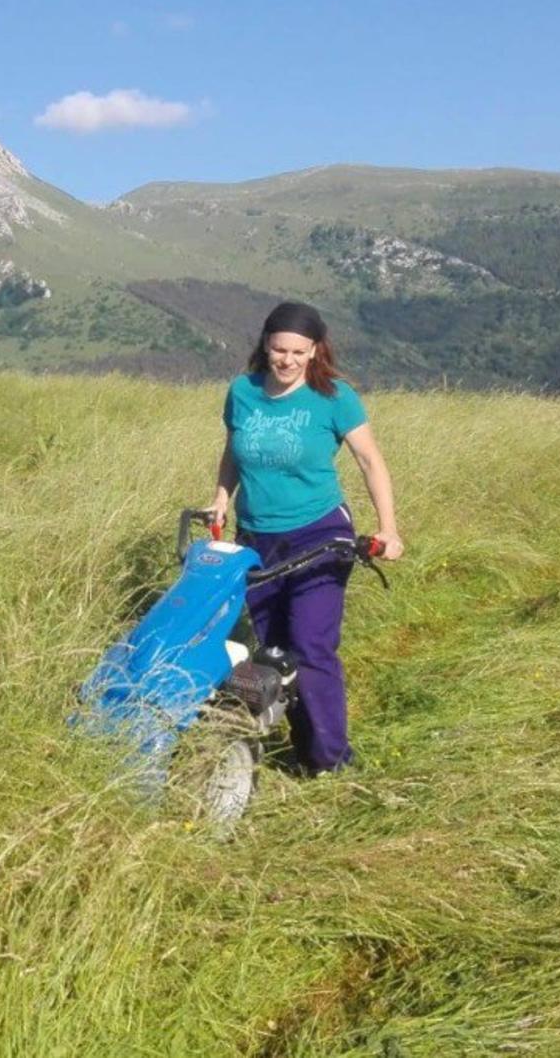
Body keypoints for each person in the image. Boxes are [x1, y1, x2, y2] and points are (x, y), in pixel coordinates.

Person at [207, 302, 403, 775]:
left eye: (299, 351)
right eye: (279, 350)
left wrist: (389, 528)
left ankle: (331, 760)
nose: (288, 360)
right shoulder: (243, 393)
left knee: (311, 647)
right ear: (265, 347)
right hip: (257, 536)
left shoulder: (334, 397)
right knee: (273, 653)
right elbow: (234, 452)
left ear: (315, 351)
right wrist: (220, 498)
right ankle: (302, 747)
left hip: (320, 533)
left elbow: (371, 462)